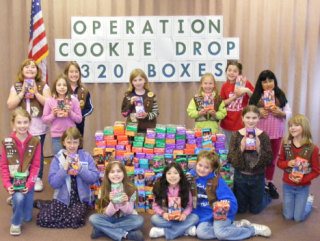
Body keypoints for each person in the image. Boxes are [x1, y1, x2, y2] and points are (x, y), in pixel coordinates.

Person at [189, 150, 271, 240]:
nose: (201, 169)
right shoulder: (191, 177)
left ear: (212, 169)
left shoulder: (216, 181)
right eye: (200, 165)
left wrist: (225, 204)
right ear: (196, 164)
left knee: (221, 234)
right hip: (205, 214)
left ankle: (252, 230)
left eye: (206, 167)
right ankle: (234, 226)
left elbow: (231, 200)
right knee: (201, 233)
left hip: (221, 211)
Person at [35, 127, 99, 228]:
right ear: (64, 142)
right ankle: (49, 206)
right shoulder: (57, 159)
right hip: (63, 198)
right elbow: (53, 183)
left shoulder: (86, 156)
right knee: (43, 219)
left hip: (81, 199)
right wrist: (64, 169)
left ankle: (47, 205)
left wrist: (81, 169)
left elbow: (94, 178)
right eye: (69, 142)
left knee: (76, 219)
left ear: (79, 143)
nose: (72, 146)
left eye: (75, 142)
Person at [7, 59, 51, 192]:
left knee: (37, 152)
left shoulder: (43, 86)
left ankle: (37, 178)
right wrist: (22, 93)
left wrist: (36, 93)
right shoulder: (16, 86)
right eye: (27, 67)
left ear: (37, 71)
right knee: (21, 152)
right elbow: (10, 105)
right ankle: (22, 176)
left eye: (33, 67)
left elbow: (49, 103)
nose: (30, 69)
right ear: (22, 70)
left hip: (38, 125)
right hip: (21, 125)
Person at [249, 70, 292, 199]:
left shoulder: (280, 95)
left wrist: (281, 113)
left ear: (274, 82)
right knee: (257, 158)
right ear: (260, 83)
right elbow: (248, 113)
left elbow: (288, 111)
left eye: (270, 81)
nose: (268, 84)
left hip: (276, 134)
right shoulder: (256, 96)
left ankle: (269, 182)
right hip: (259, 134)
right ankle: (258, 182)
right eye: (264, 81)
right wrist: (257, 112)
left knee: (272, 160)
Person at [0, 108, 40, 235]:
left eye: (25, 122)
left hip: (28, 180)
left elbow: (36, 166)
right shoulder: (7, 142)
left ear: (29, 123)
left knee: (27, 217)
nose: (22, 126)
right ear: (13, 124)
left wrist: (29, 185)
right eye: (19, 122)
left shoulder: (35, 141)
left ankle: (15, 201)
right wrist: (7, 185)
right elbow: (3, 166)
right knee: (18, 198)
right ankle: (15, 223)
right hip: (13, 180)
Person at [228, 105, 273, 214]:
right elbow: (231, 159)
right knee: (241, 210)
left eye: (254, 118)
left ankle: (267, 193)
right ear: (242, 118)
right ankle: (249, 197)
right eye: (248, 117)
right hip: (240, 176)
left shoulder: (263, 136)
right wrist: (241, 148)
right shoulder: (236, 135)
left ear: (259, 118)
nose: (251, 121)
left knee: (255, 210)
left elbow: (269, 160)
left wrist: (258, 148)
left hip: (258, 176)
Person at [277, 114, 319, 222]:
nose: (292, 128)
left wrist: (303, 180)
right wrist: (288, 163)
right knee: (288, 216)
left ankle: (308, 201)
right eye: (290, 125)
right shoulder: (286, 144)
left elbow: (316, 170)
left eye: (296, 125)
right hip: (288, 186)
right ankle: (292, 204)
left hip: (303, 187)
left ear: (304, 127)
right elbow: (279, 163)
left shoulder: (313, 148)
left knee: (298, 218)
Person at [89, 160, 144, 241]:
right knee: (93, 218)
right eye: (112, 172)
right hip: (109, 218)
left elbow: (129, 212)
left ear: (124, 174)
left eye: (119, 171)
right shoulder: (103, 190)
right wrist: (112, 202)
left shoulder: (132, 189)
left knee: (139, 220)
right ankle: (126, 234)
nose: (116, 174)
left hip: (126, 217)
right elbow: (107, 214)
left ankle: (102, 230)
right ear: (107, 175)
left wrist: (125, 203)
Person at [149, 162, 199, 239]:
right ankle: (185, 230)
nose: (172, 176)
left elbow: (189, 206)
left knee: (195, 217)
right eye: (169, 173)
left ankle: (163, 232)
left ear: (180, 176)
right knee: (154, 219)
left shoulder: (185, 187)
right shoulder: (159, 187)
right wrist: (163, 214)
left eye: (175, 173)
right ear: (165, 175)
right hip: (167, 217)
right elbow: (155, 206)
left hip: (180, 217)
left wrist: (184, 214)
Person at [42, 74, 82, 155]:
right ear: (55, 87)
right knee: (59, 160)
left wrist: (70, 112)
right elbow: (44, 119)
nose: (62, 87)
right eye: (59, 85)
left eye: (64, 85)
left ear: (68, 86)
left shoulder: (73, 100)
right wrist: (53, 114)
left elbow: (79, 119)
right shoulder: (49, 101)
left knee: (72, 160)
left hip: (71, 136)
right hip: (57, 136)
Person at [220, 60, 254, 147]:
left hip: (241, 123)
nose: (231, 73)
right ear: (226, 71)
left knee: (242, 148)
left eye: (235, 71)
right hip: (227, 124)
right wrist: (235, 96)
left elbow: (254, 98)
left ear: (239, 73)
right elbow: (222, 103)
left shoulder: (245, 84)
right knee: (228, 149)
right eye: (229, 70)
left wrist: (246, 90)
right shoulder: (224, 86)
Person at [121, 68, 159, 133]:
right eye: (135, 80)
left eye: (140, 79)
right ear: (131, 82)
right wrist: (130, 103)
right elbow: (124, 114)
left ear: (145, 80)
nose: (138, 82)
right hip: (132, 130)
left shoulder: (151, 95)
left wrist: (146, 115)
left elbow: (156, 113)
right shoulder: (128, 96)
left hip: (148, 130)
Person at [64, 61, 93, 138]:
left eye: (76, 72)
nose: (74, 74)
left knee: (77, 147)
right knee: (64, 147)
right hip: (63, 125)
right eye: (71, 72)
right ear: (66, 73)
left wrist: (79, 115)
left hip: (78, 127)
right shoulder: (62, 89)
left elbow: (90, 108)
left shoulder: (84, 90)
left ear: (79, 74)